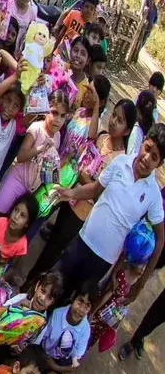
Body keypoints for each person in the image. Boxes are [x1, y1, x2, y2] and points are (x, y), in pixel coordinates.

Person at [53, 124, 165, 292]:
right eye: (147, 148)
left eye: (154, 157)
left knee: (72, 303)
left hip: (103, 260)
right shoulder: (121, 162)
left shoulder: (154, 195)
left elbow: (160, 237)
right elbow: (96, 189)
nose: (147, 158)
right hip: (83, 240)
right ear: (142, 142)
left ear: (160, 163)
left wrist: (140, 283)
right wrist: (70, 193)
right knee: (53, 285)